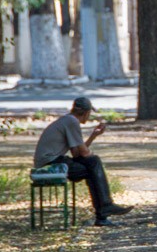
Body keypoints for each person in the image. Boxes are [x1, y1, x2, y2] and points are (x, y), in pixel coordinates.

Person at [34, 96, 132, 226]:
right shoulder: (72, 122)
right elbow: (85, 153)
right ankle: (104, 209)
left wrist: (93, 136)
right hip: (50, 162)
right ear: (86, 112)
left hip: (53, 160)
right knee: (93, 163)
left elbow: (77, 153)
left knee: (92, 167)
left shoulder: (68, 120)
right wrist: (92, 157)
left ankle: (103, 212)